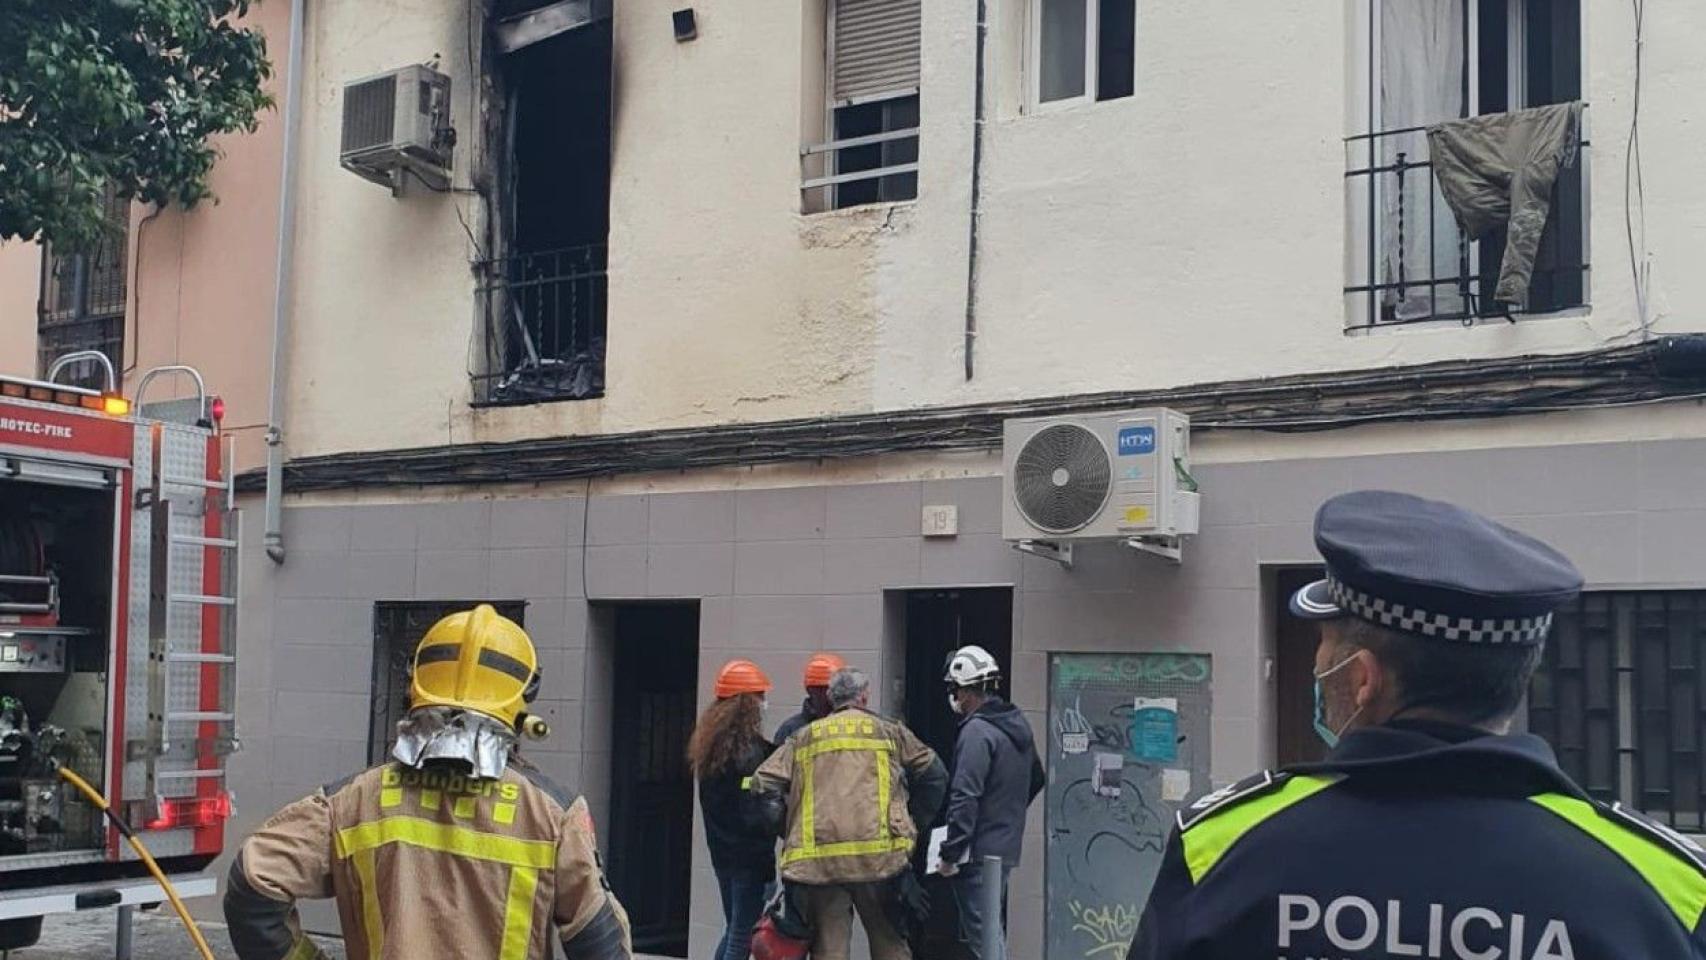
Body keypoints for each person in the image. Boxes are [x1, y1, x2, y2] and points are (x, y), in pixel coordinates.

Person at [1128, 490, 1706, 959]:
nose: (1314, 666)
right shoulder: (1665, 890)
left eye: (1325, 647)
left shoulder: (1222, 851)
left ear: (1364, 680)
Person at [224, 604, 631, 960]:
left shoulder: (352, 803)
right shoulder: (551, 815)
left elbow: (254, 885)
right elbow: (600, 944)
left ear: (416, 685)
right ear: (522, 701)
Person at [752, 667, 948, 960]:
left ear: (831, 700)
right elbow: (936, 776)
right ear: (864, 696)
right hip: (880, 861)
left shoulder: (804, 737)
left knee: (830, 951)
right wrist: (910, 822)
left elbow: (761, 784)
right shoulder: (889, 731)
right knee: (891, 946)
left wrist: (787, 827)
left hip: (820, 866)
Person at [934, 645, 1045, 960]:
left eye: (954, 689)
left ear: (967, 691)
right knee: (992, 930)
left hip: (977, 853)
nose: (953, 696)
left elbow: (964, 796)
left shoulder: (977, 732)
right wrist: (1005, 818)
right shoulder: (1015, 724)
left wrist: (951, 852)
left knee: (984, 938)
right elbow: (1036, 778)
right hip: (1004, 847)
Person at [689, 660, 779, 960]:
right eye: (760, 696)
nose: (764, 702)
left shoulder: (711, 751)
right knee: (742, 935)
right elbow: (755, 815)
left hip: (723, 855)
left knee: (734, 929)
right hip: (748, 859)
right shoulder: (751, 755)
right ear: (747, 705)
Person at [773, 652, 846, 744]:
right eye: (825, 688)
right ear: (810, 690)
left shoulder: (852, 726)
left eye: (837, 688)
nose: (833, 694)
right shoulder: (791, 729)